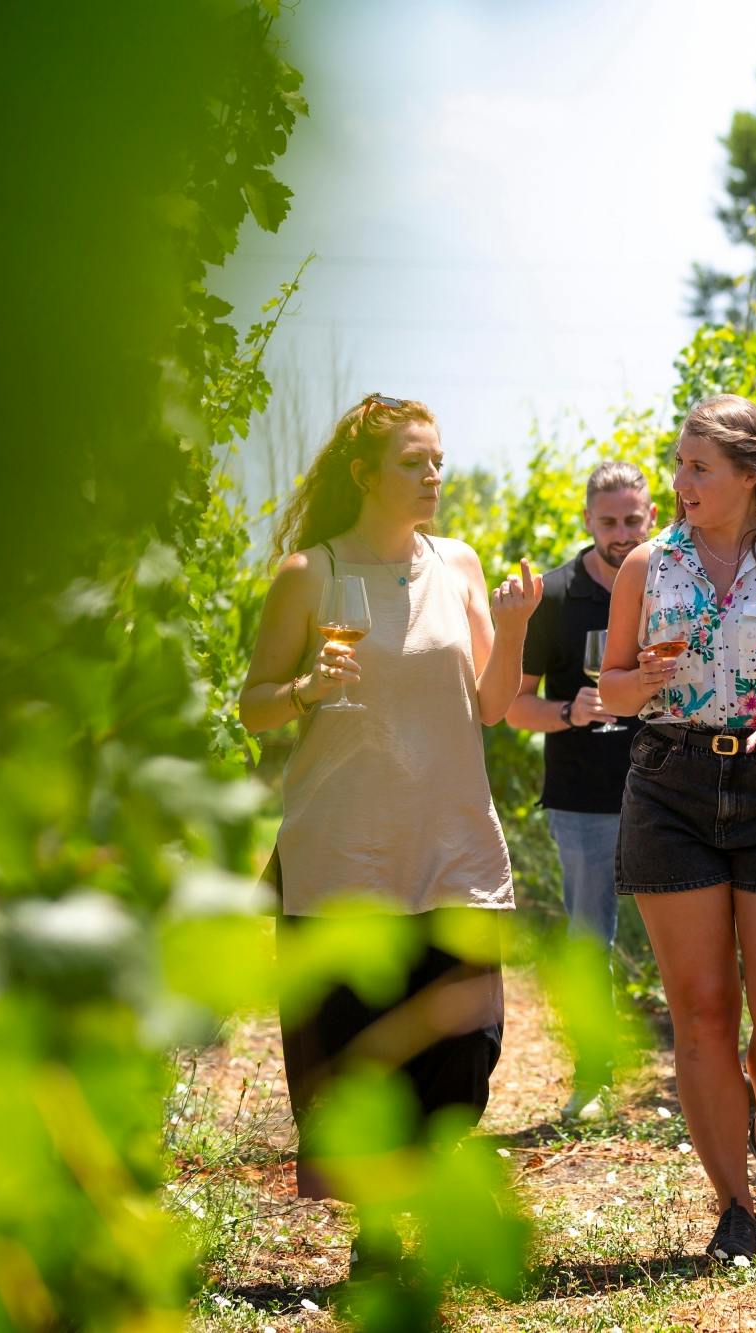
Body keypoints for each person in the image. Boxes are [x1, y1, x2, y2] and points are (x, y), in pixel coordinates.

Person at [237, 392, 541, 1204]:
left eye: (437, 459)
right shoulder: (310, 574)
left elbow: (494, 705)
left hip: (449, 844)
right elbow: (253, 703)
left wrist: (510, 633)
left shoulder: (461, 564)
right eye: (414, 461)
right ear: (365, 473)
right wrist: (304, 688)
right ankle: (378, 1230)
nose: (433, 474)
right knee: (354, 1052)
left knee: (463, 1044)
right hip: (343, 851)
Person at [598, 394, 756, 1263]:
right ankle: (736, 1206)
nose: (679, 483)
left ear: (752, 473)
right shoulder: (647, 565)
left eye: (697, 466)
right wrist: (640, 679)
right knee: (703, 1009)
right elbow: (613, 692)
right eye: (677, 464)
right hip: (671, 783)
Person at [506, 460, 657, 1121]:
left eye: (632, 519)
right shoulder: (559, 597)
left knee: (690, 934)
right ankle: (591, 1079)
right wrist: (572, 713)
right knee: (589, 937)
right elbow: (515, 705)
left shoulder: (667, 584)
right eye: (609, 521)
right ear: (588, 522)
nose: (622, 533)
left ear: (650, 517)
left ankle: (691, 1072)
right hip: (582, 800)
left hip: (663, 790)